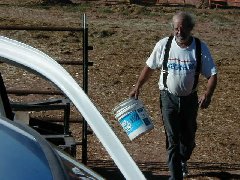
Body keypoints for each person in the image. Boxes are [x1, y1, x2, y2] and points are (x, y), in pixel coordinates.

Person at [129, 11, 217, 180]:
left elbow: (212, 74)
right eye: (176, 28)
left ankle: (183, 158)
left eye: (183, 28)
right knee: (172, 138)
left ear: (191, 28)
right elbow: (149, 67)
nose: (179, 32)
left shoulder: (199, 47)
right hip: (167, 97)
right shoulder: (164, 45)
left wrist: (208, 93)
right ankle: (175, 176)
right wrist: (138, 86)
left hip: (190, 99)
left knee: (188, 137)